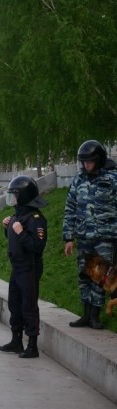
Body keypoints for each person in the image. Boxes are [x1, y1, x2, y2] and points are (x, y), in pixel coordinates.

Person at [64, 139, 117, 329]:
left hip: (104, 238)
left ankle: (95, 315)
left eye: (90, 161)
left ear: (99, 159)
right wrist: (68, 237)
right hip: (83, 237)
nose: (86, 165)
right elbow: (70, 208)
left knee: (101, 277)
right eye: (83, 162)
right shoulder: (79, 180)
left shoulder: (112, 179)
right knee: (84, 275)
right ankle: (85, 314)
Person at [0, 176, 48, 358]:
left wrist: (20, 232)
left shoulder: (35, 219)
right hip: (17, 266)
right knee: (14, 304)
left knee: (29, 305)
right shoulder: (19, 216)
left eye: (15, 195)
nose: (13, 199)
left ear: (24, 196)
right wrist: (8, 228)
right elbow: (15, 240)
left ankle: (32, 345)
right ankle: (16, 340)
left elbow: (37, 246)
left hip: (29, 266)